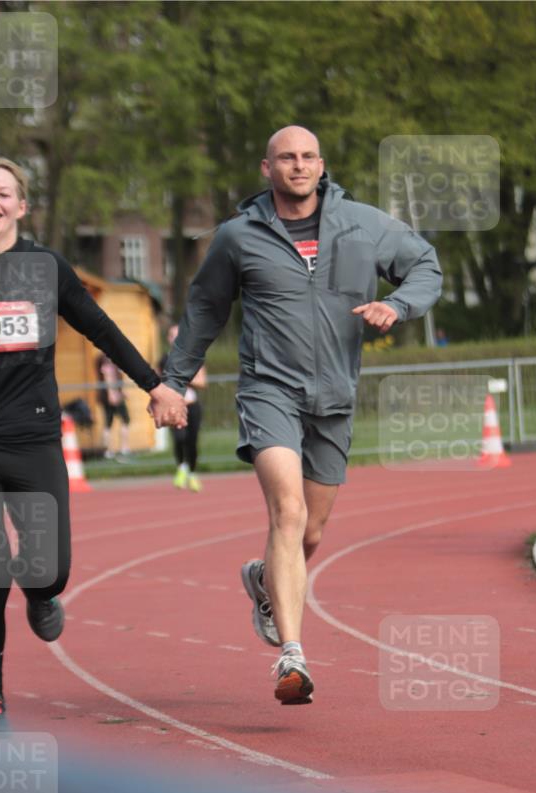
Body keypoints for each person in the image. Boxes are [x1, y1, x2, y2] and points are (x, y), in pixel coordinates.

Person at [164, 126, 442, 705]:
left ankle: (264, 580)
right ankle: (292, 656)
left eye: (308, 156)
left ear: (321, 165)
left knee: (310, 532)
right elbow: (205, 310)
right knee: (287, 512)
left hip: (335, 398)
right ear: (267, 169)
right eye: (286, 157)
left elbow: (426, 265)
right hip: (269, 389)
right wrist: (173, 382)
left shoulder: (363, 225)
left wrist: (397, 304)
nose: (298, 165)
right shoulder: (238, 236)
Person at [0, 156, 187, 730]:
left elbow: (101, 329)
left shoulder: (45, 268)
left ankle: (42, 594)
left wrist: (155, 385)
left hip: (34, 442)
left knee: (49, 571)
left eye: (2, 193)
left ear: (21, 205)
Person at [160, 324, 207, 492]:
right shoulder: (163, 359)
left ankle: (192, 473)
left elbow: (202, 381)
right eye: (172, 335)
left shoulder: (194, 357)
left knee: (192, 441)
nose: (175, 339)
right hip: (173, 406)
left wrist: (184, 378)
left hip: (192, 406)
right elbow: (158, 383)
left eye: (178, 335)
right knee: (179, 438)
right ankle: (181, 467)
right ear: (168, 339)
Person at [95, 352, 131, 460]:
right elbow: (108, 378)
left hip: (112, 395)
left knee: (110, 423)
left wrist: (121, 392)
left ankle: (111, 450)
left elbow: (116, 378)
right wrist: (112, 394)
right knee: (121, 421)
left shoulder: (106, 360)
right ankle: (121, 448)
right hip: (113, 396)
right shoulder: (107, 361)